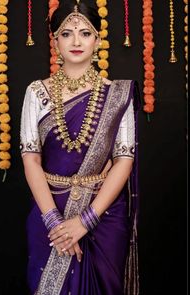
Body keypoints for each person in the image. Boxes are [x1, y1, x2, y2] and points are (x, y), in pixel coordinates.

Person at [20, 0, 140, 294]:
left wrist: (85, 221)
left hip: (104, 216)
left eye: (85, 33)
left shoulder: (118, 94)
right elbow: (31, 160)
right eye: (66, 33)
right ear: (55, 40)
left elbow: (124, 160)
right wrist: (55, 224)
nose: (76, 41)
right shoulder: (37, 92)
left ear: (98, 39)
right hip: (50, 211)